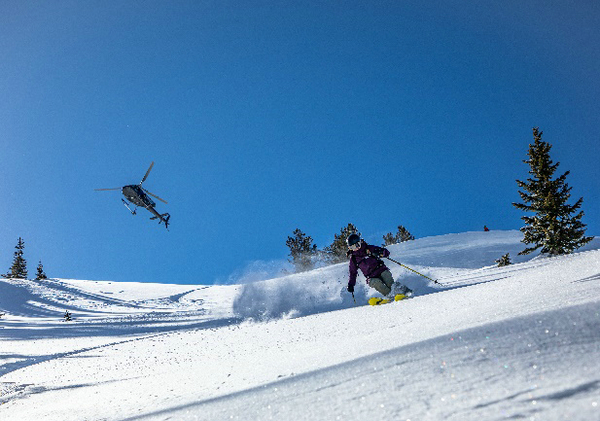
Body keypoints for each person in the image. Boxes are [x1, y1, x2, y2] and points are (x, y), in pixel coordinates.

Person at [345, 233, 412, 298]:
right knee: (374, 282)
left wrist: (380, 252)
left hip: (381, 270)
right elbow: (352, 273)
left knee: (390, 283)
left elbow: (386, 252)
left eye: (357, 245)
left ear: (360, 242)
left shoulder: (369, 248)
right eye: (353, 247)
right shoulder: (354, 259)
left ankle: (404, 291)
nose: (356, 248)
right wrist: (351, 284)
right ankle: (390, 295)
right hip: (371, 277)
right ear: (350, 248)